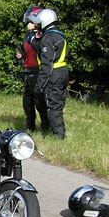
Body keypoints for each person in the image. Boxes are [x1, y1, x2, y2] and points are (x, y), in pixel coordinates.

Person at [29, 8, 69, 139]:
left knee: (53, 106)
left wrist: (39, 86)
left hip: (53, 75)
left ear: (46, 20)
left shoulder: (48, 37)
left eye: (39, 22)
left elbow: (47, 65)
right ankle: (54, 132)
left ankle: (58, 137)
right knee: (57, 103)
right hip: (62, 73)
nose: (38, 25)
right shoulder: (59, 35)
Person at [16, 6, 49, 132]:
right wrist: (21, 57)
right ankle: (30, 128)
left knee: (39, 102)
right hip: (28, 72)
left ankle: (46, 127)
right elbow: (26, 54)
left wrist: (33, 34)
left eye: (30, 22)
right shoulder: (28, 36)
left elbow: (39, 49)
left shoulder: (41, 36)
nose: (27, 24)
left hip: (38, 72)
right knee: (27, 103)